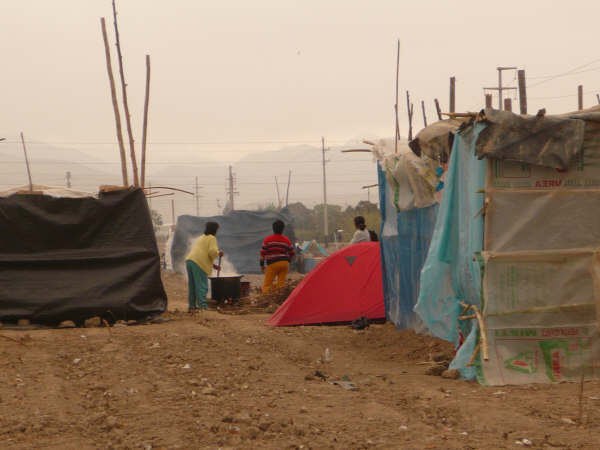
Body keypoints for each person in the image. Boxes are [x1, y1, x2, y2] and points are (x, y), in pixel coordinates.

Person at [185, 222, 223, 312]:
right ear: (215, 230)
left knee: (193, 286)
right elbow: (212, 252)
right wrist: (219, 252)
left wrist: (214, 266)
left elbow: (203, 253)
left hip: (190, 261)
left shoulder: (201, 237)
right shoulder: (212, 238)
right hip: (198, 263)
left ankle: (192, 306)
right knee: (201, 286)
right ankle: (203, 307)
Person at [260, 220, 295, 293]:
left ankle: (265, 298)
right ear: (283, 229)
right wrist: (288, 261)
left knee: (267, 284)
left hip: (273, 264)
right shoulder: (287, 240)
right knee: (281, 284)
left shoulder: (267, 240)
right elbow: (292, 253)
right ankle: (279, 299)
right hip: (284, 263)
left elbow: (262, 254)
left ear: (273, 229)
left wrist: (262, 266)